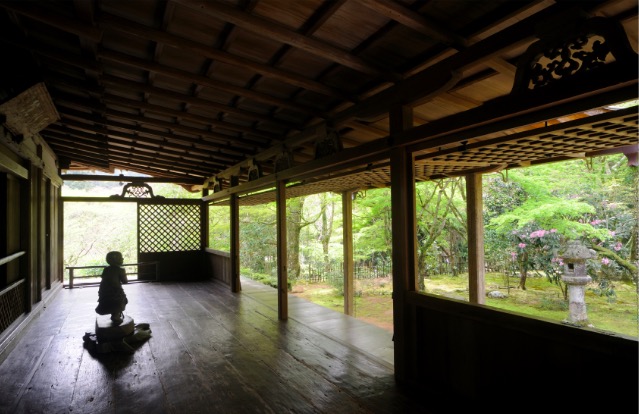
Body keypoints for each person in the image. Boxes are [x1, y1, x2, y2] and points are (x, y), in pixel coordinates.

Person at [95, 251, 129, 324]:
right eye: (121, 258)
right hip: (115, 291)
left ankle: (114, 314)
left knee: (110, 301)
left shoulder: (106, 269)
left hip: (104, 291)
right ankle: (115, 315)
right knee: (121, 301)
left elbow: (104, 278)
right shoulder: (121, 270)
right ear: (116, 260)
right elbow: (125, 281)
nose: (122, 259)